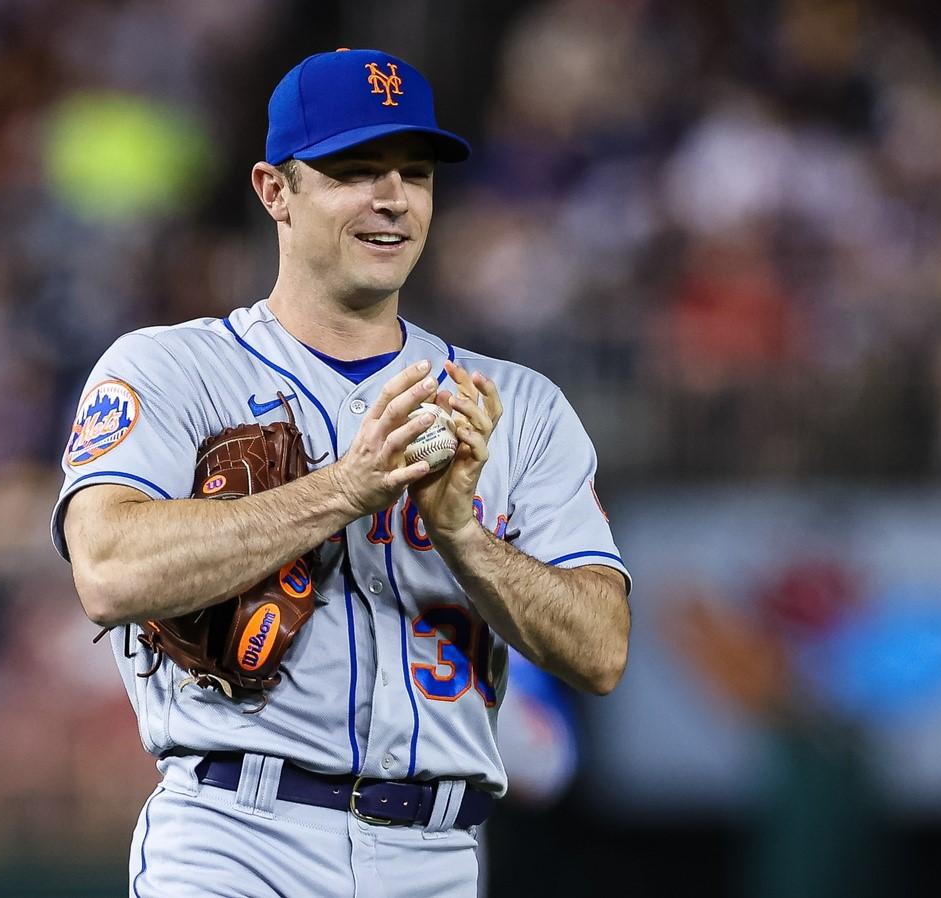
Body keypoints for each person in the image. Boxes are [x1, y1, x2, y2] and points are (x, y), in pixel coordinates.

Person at [50, 48, 631, 897]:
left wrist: (463, 534)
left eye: (415, 173)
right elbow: (106, 571)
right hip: (235, 837)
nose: (392, 197)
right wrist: (347, 487)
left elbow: (602, 651)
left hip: (437, 853)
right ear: (273, 191)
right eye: (355, 171)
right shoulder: (170, 369)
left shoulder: (518, 406)